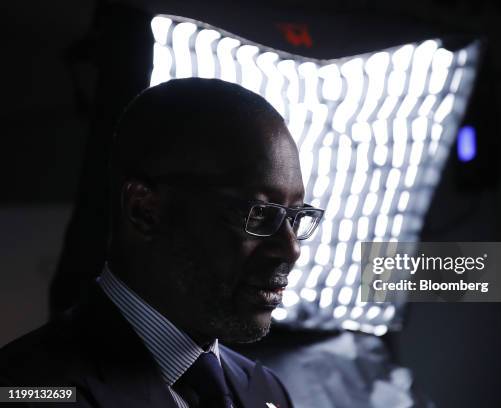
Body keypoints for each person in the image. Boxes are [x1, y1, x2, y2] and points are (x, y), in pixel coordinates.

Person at [0, 78, 325, 408]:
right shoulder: (24, 390)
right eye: (258, 215)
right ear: (144, 210)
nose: (290, 249)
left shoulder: (267, 392)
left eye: (295, 217)